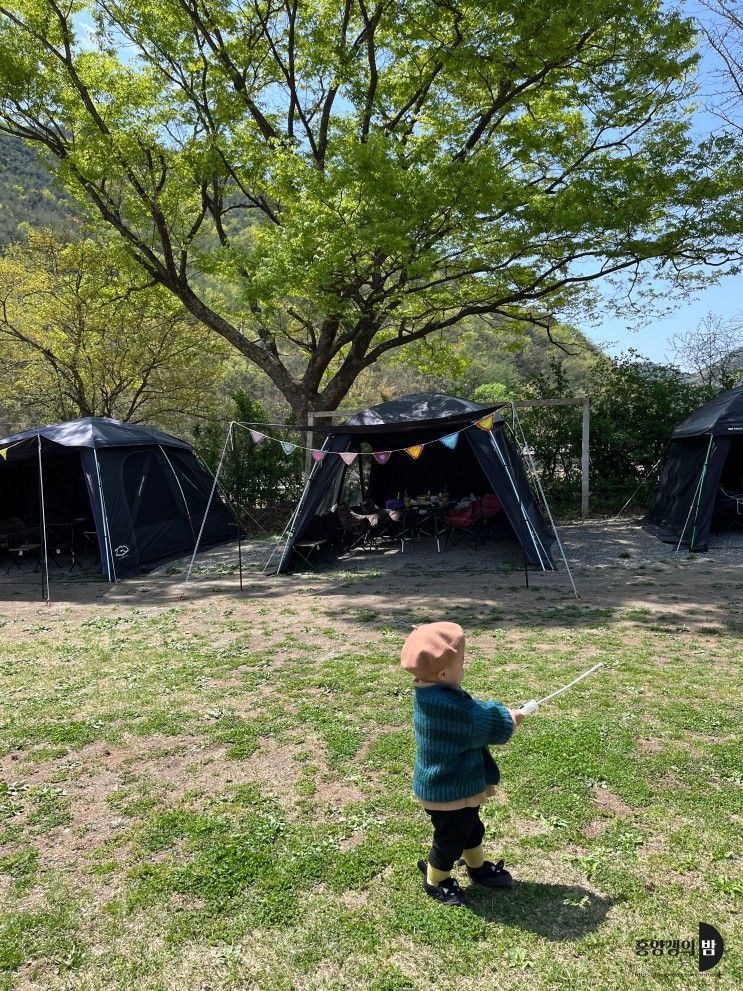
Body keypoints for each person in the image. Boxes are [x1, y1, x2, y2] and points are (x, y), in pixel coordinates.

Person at [401, 620, 524, 906]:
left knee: (471, 827)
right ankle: (436, 879)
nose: (465, 666)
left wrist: (499, 711)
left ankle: (477, 867)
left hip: (454, 784)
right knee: (451, 838)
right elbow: (480, 721)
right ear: (444, 674)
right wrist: (510, 717)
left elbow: (473, 709)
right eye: (462, 662)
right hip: (448, 789)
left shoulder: (432, 693)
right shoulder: (447, 707)